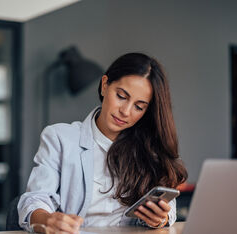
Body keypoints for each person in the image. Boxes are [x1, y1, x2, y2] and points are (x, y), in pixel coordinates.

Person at [18, 53, 188, 233]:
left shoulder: (148, 147)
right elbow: (35, 199)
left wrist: (159, 219)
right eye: (121, 96)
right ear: (105, 85)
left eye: (139, 106)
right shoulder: (59, 137)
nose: (125, 111)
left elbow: (170, 211)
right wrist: (48, 220)